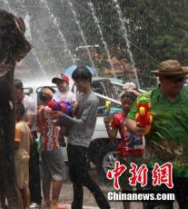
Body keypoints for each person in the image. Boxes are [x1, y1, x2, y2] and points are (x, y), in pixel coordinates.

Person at [126, 60, 188, 208]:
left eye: (182, 78)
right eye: (175, 79)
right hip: (157, 170)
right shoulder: (146, 99)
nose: (179, 83)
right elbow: (129, 120)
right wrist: (136, 128)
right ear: (161, 79)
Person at [53, 66, 110, 209]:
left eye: (79, 82)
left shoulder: (92, 100)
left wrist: (63, 117)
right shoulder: (80, 95)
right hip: (73, 140)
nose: (77, 85)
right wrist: (67, 112)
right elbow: (75, 114)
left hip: (81, 143)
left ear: (88, 81)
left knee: (84, 177)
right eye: (76, 81)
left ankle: (104, 205)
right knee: (75, 177)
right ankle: (76, 205)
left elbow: (83, 123)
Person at [104, 91, 143, 209]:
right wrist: (107, 125)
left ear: (134, 104)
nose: (126, 105)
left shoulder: (141, 116)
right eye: (123, 102)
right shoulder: (117, 118)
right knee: (126, 187)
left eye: (129, 103)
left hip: (141, 155)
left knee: (143, 186)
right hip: (125, 156)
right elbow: (112, 138)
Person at [14, 79, 41, 208]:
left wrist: (17, 126)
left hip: (28, 134)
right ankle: (24, 201)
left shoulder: (29, 101)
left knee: (32, 168)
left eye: (15, 91)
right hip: (18, 133)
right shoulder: (14, 102)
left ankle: (35, 199)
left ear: (21, 89)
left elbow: (30, 122)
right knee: (21, 172)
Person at [37, 87, 64, 209]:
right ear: (48, 97)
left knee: (47, 175)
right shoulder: (49, 109)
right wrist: (52, 95)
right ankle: (54, 203)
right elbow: (62, 107)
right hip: (53, 144)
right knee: (58, 175)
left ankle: (46, 201)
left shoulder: (40, 110)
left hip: (43, 145)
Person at [14, 102, 32, 209]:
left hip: (18, 157)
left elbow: (16, 143)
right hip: (26, 155)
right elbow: (31, 139)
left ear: (18, 113)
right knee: (25, 185)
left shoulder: (16, 127)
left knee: (18, 186)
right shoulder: (25, 125)